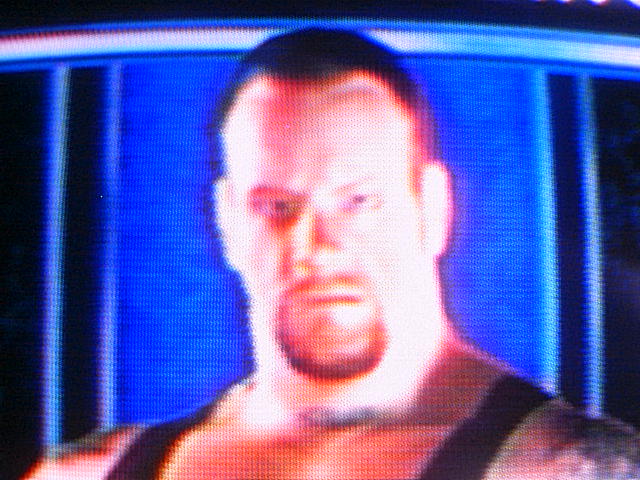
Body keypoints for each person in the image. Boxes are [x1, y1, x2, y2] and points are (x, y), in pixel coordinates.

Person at [27, 28, 639, 480]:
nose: (314, 246)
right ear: (228, 223)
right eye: (276, 206)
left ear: (432, 208)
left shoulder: (564, 468)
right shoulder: (90, 474)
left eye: (357, 201)